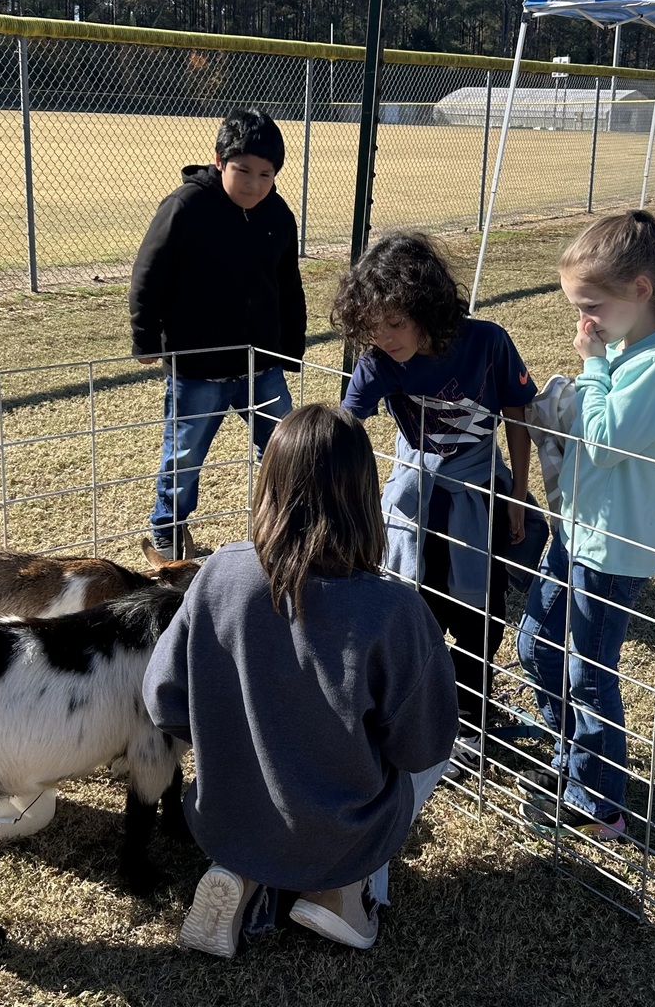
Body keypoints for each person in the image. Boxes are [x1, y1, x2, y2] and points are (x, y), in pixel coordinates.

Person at [142, 404, 458, 958]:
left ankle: (241, 871)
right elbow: (423, 745)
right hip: (342, 829)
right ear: (364, 495)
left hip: (225, 814)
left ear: (270, 485)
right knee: (437, 746)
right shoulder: (394, 611)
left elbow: (163, 699)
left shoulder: (219, 572)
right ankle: (343, 889)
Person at [515, 210, 655, 841]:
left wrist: (592, 366)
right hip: (578, 530)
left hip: (614, 546)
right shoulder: (628, 347)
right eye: (578, 307)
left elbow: (606, 437)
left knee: (588, 670)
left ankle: (599, 805)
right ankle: (572, 757)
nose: (583, 322)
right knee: (534, 643)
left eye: (591, 305)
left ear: (641, 291)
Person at [332, 233, 536, 779]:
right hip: (414, 498)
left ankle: (472, 715)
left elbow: (518, 411)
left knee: (480, 612)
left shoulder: (487, 342)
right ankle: (413, 714)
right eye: (371, 327)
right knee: (414, 606)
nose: (383, 338)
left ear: (427, 308)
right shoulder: (379, 360)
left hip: (479, 494)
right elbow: (348, 426)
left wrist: (516, 495)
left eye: (395, 324)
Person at [129, 108, 307, 558]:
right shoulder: (186, 207)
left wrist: (291, 346)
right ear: (219, 160)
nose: (253, 183)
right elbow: (149, 272)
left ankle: (295, 524)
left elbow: (288, 285)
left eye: (266, 174)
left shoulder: (279, 215)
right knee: (184, 458)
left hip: (261, 366)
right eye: (242, 170)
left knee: (289, 449)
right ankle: (168, 531)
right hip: (198, 370)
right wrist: (146, 338)